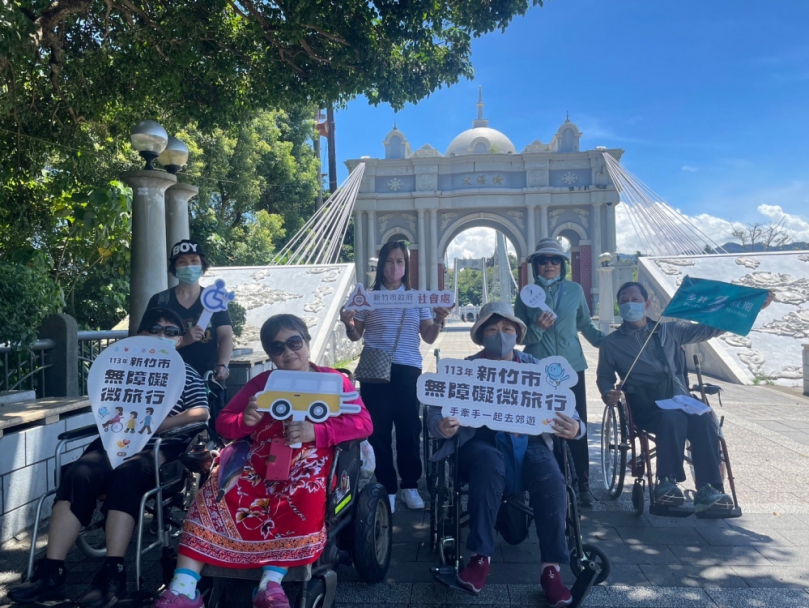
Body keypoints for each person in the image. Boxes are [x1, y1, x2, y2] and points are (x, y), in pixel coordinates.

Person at [152, 314, 373, 608]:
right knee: (214, 495)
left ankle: (270, 584)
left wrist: (317, 431)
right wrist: (245, 420)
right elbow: (224, 423)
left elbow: (363, 423)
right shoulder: (261, 383)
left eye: (294, 342)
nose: (288, 352)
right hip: (260, 460)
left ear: (307, 342)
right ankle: (184, 588)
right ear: (270, 355)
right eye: (277, 347)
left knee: (300, 494)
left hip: (310, 461)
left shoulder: (334, 381)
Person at [9, 308, 210, 608]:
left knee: (127, 476)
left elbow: (202, 411)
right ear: (141, 334)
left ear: (180, 340)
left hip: (160, 445)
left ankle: (113, 573)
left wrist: (159, 423)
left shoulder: (185, 372)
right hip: (117, 441)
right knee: (79, 473)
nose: (162, 336)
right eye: (155, 328)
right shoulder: (120, 370)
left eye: (170, 332)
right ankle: (52, 573)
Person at [426, 301, 582, 607]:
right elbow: (434, 413)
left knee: (551, 475)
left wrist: (576, 428)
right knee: (489, 461)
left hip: (530, 443)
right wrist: (441, 427)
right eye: (493, 329)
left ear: (518, 334)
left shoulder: (538, 370)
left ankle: (551, 569)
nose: (500, 335)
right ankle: (479, 558)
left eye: (507, 329)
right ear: (481, 335)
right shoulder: (465, 370)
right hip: (479, 443)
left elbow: (570, 412)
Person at [597, 281, 773, 514]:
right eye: (624, 301)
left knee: (704, 417)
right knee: (673, 417)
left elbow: (709, 328)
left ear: (647, 303)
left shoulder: (670, 329)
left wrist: (752, 308)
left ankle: (709, 488)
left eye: (636, 300)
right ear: (619, 306)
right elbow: (604, 376)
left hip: (680, 397)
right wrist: (608, 393)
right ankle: (666, 483)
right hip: (645, 404)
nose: (630, 304)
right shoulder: (611, 343)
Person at [340, 241, 450, 513]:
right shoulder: (368, 296)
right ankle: (386, 486)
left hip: (408, 369)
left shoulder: (417, 297)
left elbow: (428, 336)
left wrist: (438, 319)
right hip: (375, 371)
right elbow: (357, 335)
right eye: (389, 261)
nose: (394, 266)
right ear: (381, 265)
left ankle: (410, 485)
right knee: (377, 430)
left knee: (409, 428)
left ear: (406, 266)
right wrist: (348, 323)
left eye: (400, 261)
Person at [515, 237, 603, 507]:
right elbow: (518, 336)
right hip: (537, 368)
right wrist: (538, 328)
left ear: (563, 265)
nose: (549, 264)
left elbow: (586, 325)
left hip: (571, 367)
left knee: (575, 425)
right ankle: (546, 480)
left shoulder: (575, 290)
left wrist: (610, 344)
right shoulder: (526, 295)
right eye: (543, 260)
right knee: (540, 425)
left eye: (555, 260)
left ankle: (583, 483)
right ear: (535, 265)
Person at [147, 239, 233, 383]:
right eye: (182, 262)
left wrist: (222, 364)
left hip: (208, 381)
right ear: (174, 268)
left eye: (194, 261)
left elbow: (226, 336)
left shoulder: (215, 299)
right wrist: (183, 341)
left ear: (202, 265)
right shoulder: (160, 301)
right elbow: (148, 342)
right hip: (166, 379)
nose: (189, 266)